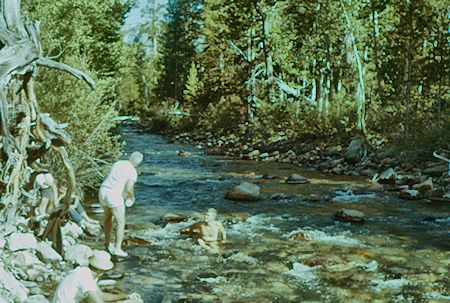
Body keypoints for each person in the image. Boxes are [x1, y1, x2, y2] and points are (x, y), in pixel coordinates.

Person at [52, 250, 143, 303]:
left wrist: (126, 296)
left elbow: (102, 295)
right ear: (101, 270)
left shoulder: (84, 270)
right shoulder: (86, 277)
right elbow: (98, 301)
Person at [99, 151, 143, 257]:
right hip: (113, 194)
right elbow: (128, 188)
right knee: (121, 222)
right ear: (138, 163)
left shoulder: (118, 163)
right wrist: (132, 197)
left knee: (108, 218)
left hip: (103, 191)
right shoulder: (132, 171)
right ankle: (118, 249)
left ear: (130, 157)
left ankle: (107, 244)